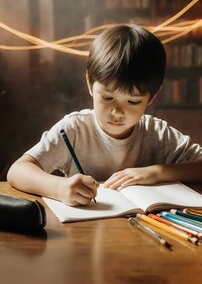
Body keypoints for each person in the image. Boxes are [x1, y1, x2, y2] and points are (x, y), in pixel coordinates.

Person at [7, 25, 202, 206]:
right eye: (107, 97)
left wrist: (158, 172)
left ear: (153, 96)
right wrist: (59, 188)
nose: (117, 112)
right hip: (84, 232)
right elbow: (17, 171)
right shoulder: (74, 130)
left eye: (133, 101)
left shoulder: (159, 134)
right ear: (90, 83)